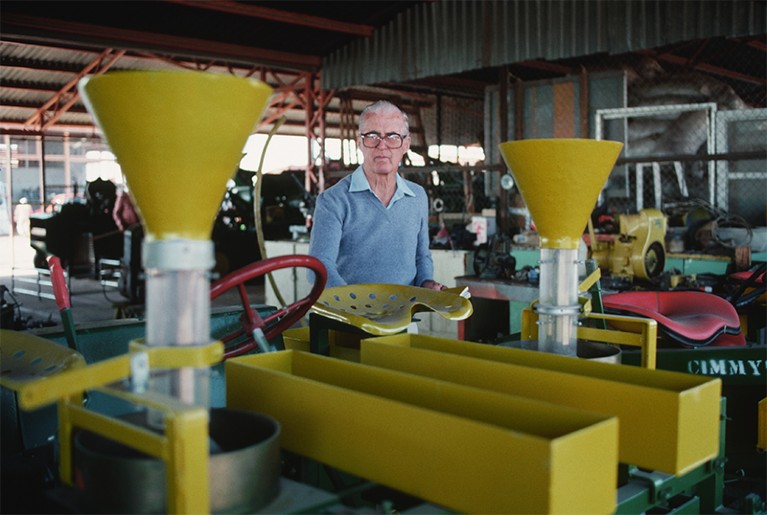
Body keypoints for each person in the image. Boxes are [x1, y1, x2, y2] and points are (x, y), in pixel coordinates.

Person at [309, 100, 445, 291]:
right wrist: (356, 305)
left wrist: (426, 282)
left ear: (406, 144)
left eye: (392, 136)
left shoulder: (417, 196)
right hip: (349, 316)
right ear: (359, 143)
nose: (382, 146)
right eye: (372, 136)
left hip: (404, 314)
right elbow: (319, 266)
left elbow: (421, 256)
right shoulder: (333, 201)